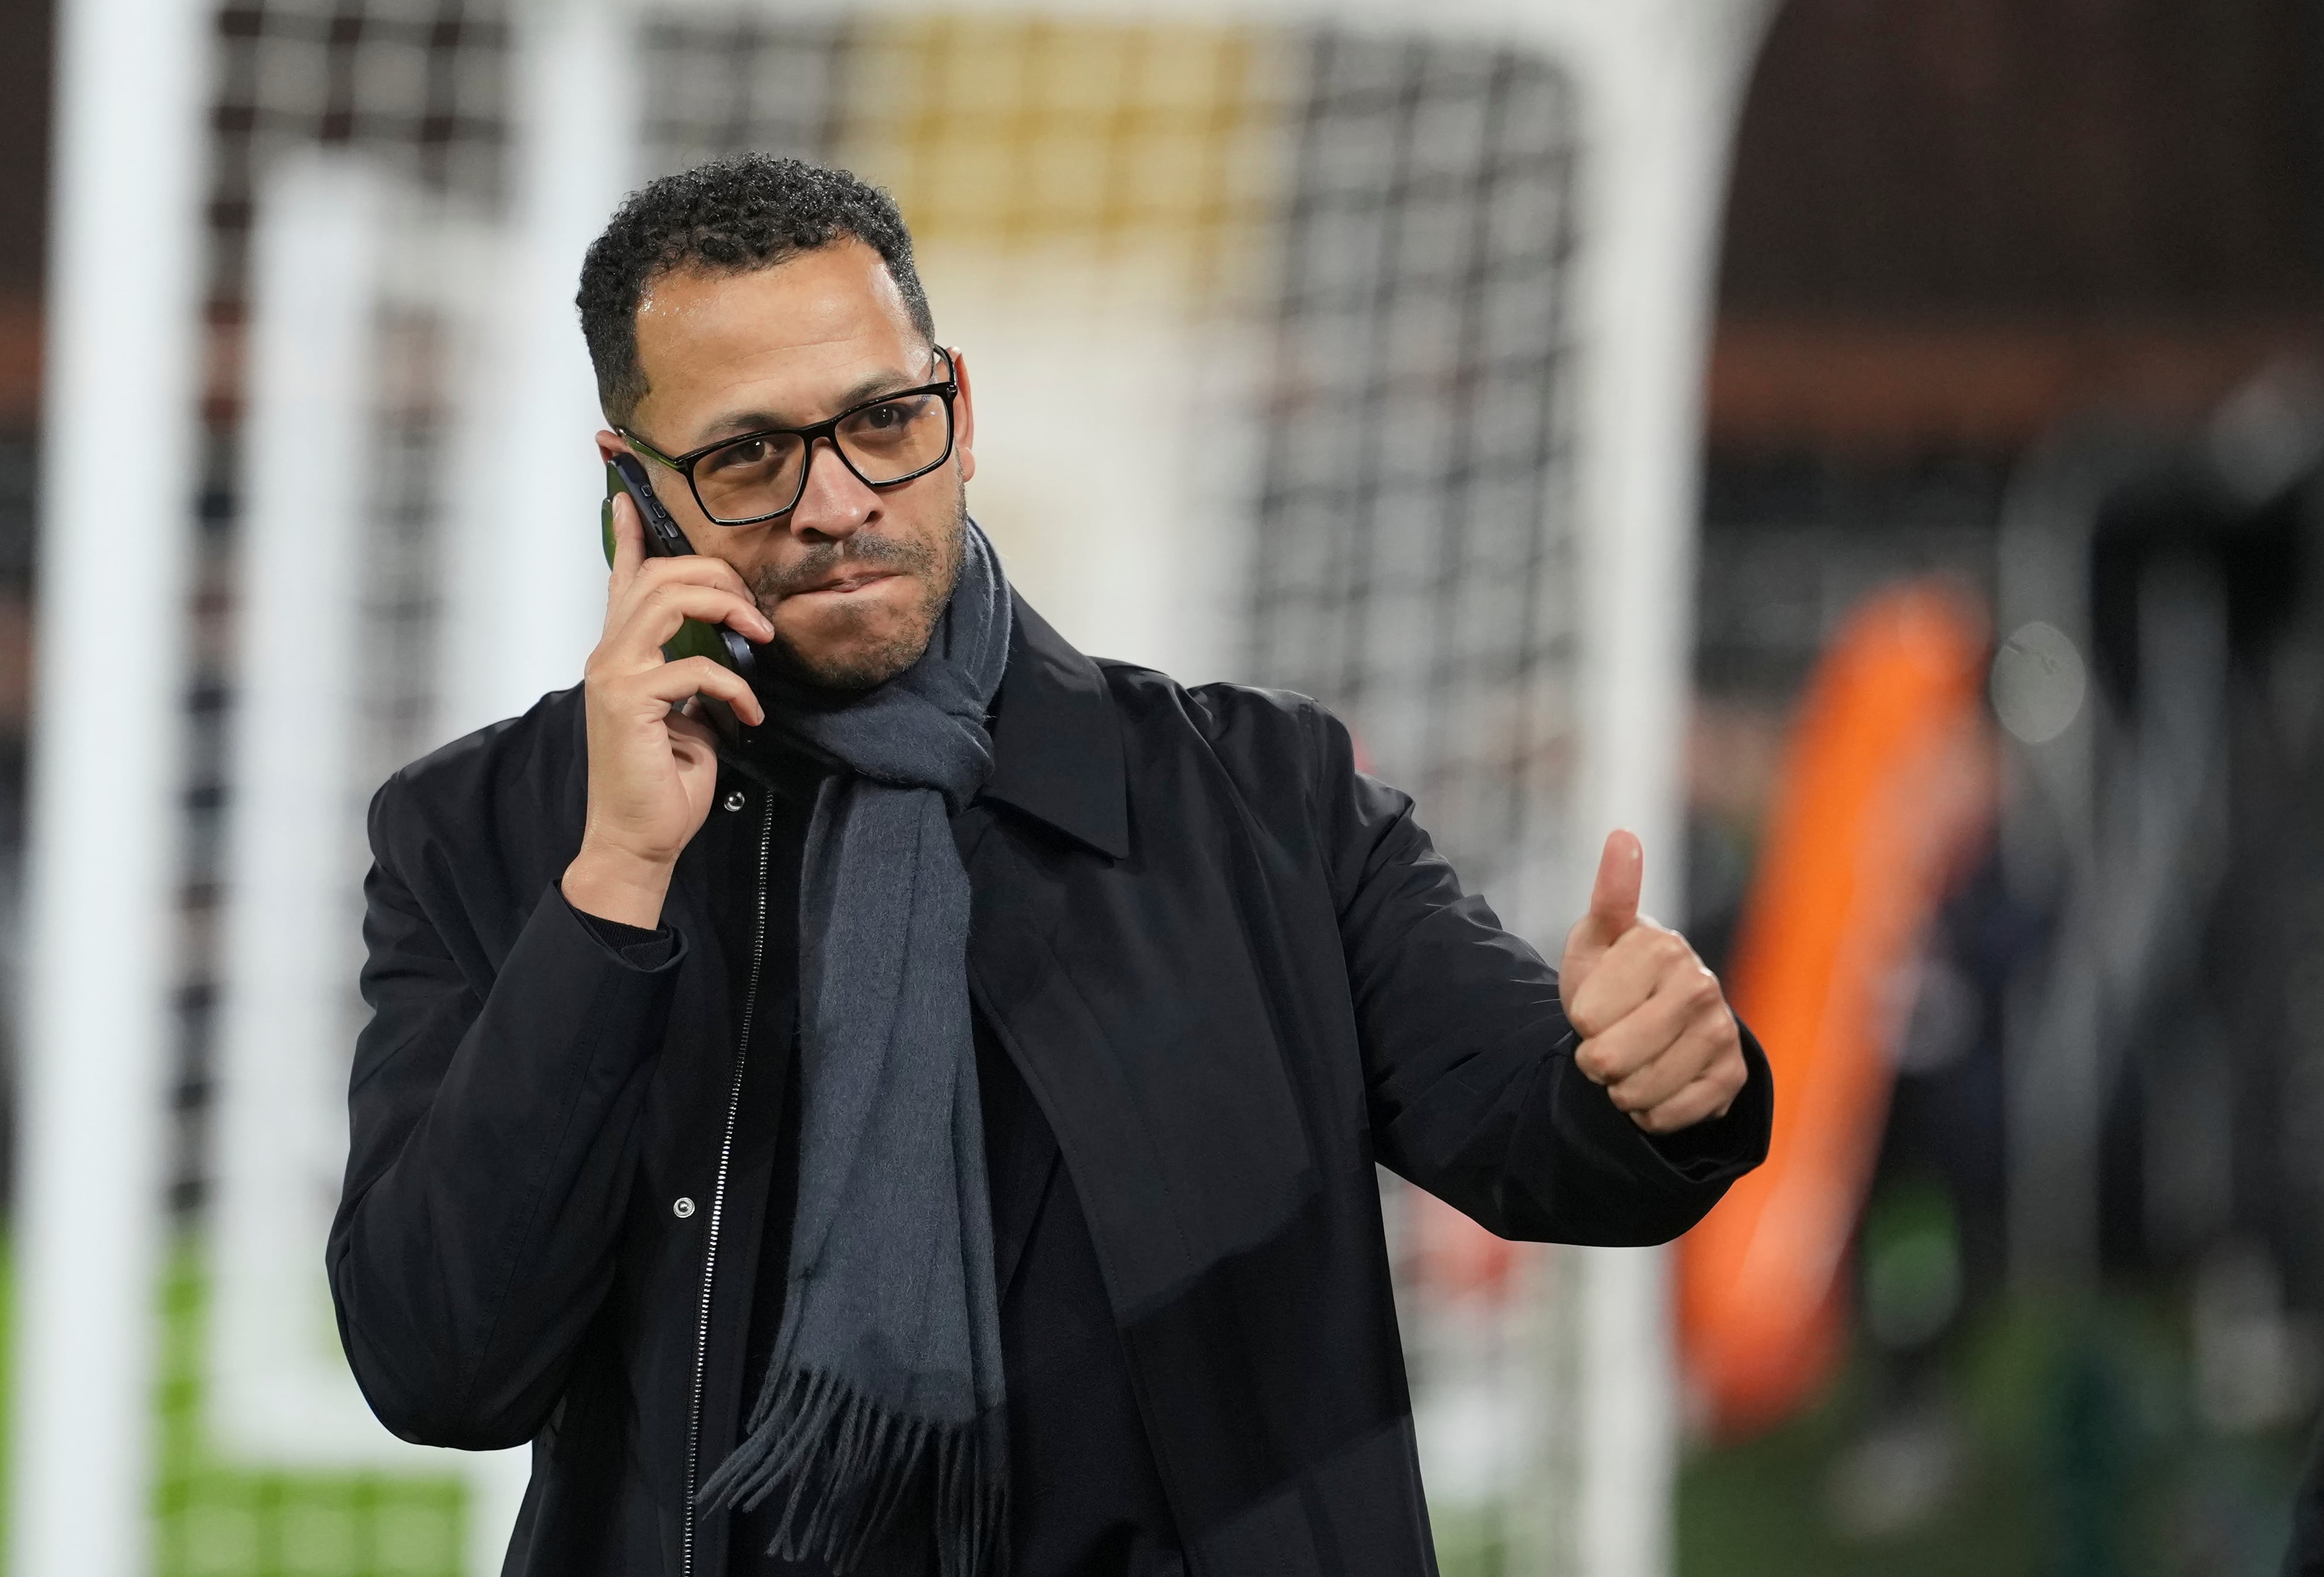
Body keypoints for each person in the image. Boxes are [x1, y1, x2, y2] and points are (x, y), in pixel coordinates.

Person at [327, 154, 1771, 1577]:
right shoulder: (491, 833)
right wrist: (619, 882)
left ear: (956, 412)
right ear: (634, 493)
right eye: (751, 457)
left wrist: (1650, 1083)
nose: (838, 504)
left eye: (883, 420)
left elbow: (1544, 1140)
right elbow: (444, 1364)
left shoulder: (1259, 797)